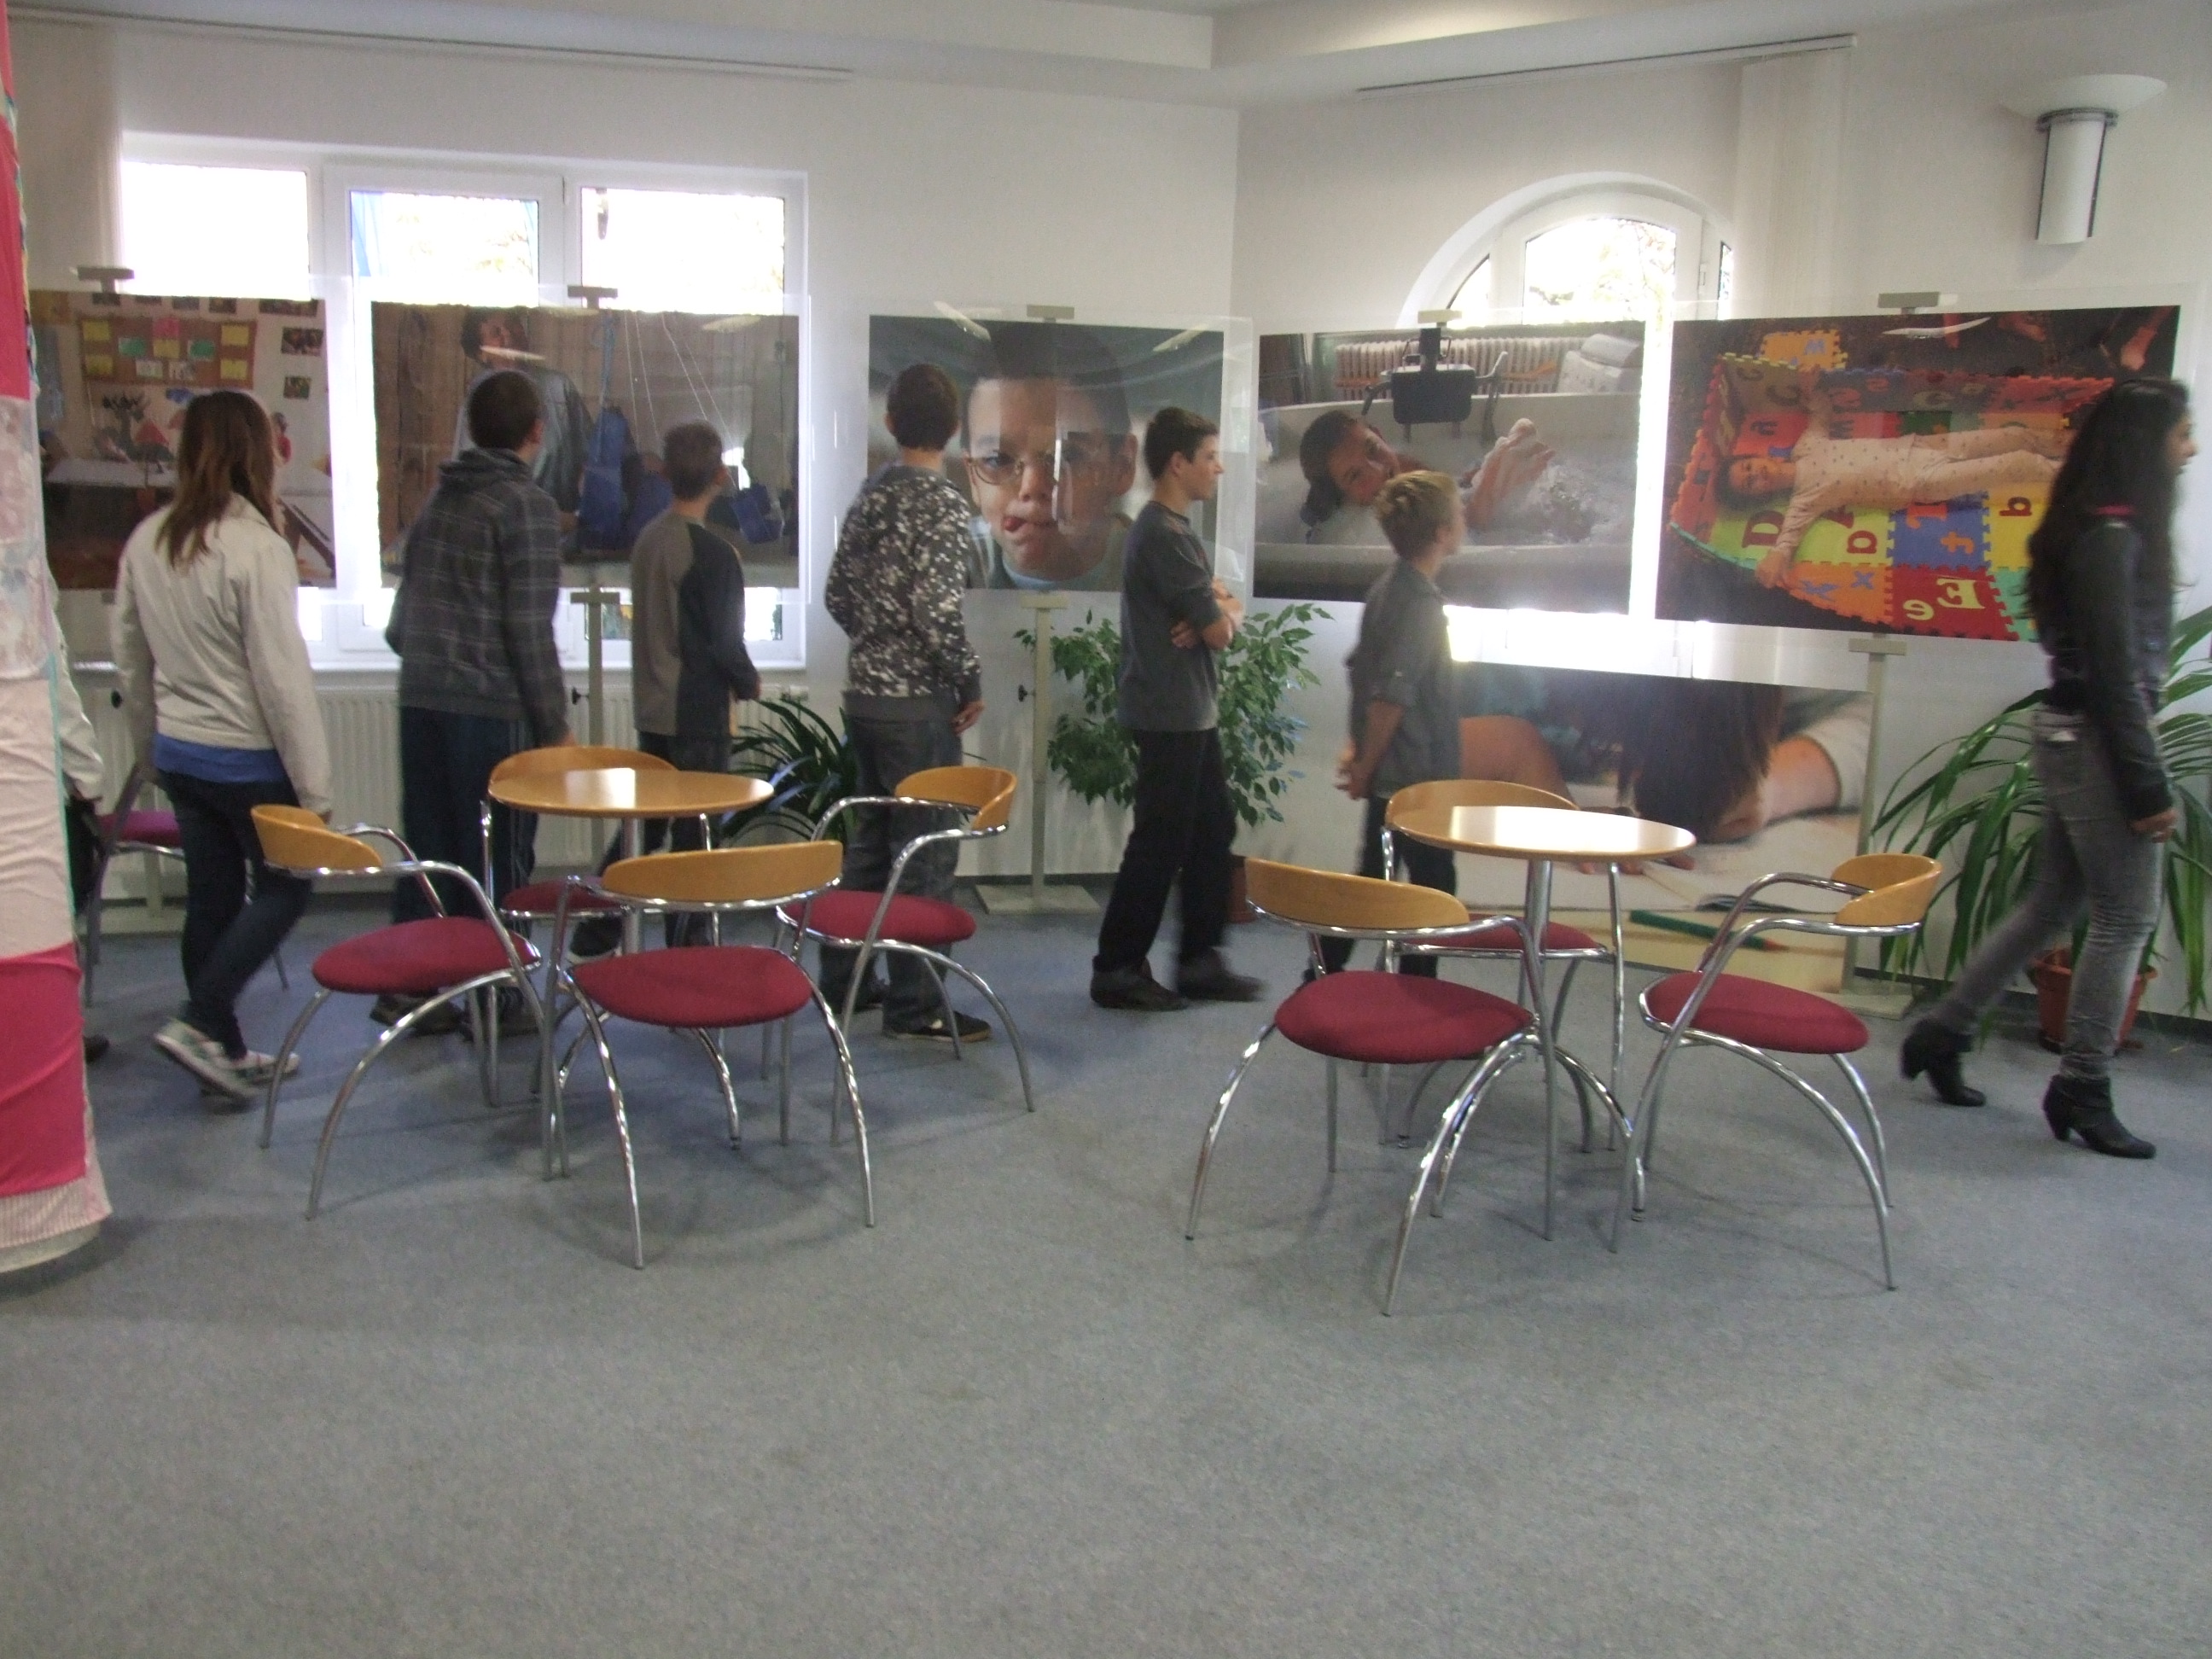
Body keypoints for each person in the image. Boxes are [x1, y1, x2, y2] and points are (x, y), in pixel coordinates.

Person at [1900, 379, 2194, 1157]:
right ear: (2145, 446)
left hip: (2077, 736)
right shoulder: (2111, 538)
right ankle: (2082, 1086)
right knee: (2126, 918)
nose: (2191, 448)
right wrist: (2146, 785)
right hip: (2101, 742)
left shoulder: (2095, 528)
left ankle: (1943, 1031)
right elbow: (2113, 676)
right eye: (2181, 434)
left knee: (2053, 904)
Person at [114, 390, 329, 1103]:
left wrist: (149, 753)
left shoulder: (149, 539)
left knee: (212, 898)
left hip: (181, 755)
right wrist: (314, 790)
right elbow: (280, 679)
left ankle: (222, 1054)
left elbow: (130, 661)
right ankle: (201, 1020)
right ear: (256, 454)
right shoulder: (256, 547)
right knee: (287, 887)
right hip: (248, 761)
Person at [386, 369, 573, 1026]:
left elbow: (400, 627)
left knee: (430, 852)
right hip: (492, 712)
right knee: (498, 856)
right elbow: (528, 630)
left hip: (421, 701)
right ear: (537, 431)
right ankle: (500, 994)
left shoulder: (439, 502)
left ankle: (415, 987)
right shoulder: (527, 506)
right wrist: (556, 728)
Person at [821, 363, 990, 1043]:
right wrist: (968, 679)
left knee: (867, 847)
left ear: (890, 423)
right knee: (924, 856)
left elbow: (837, 594)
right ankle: (916, 1006)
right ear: (954, 430)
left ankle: (846, 984)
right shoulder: (944, 505)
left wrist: (875, 641)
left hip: (864, 698)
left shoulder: (871, 496)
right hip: (918, 705)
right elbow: (935, 609)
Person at [1091, 407, 1262, 1011]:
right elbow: (1219, 632)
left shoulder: (1173, 530)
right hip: (1170, 712)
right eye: (1209, 457)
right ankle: (1116, 968)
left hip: (1190, 709)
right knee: (1159, 842)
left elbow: (1216, 616)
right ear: (1177, 463)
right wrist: (1221, 612)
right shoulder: (1164, 534)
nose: (1218, 468)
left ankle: (1198, 960)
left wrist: (1218, 607)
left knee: (1212, 829)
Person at [571, 421, 761, 954]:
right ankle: (689, 949)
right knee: (696, 841)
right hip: (697, 714)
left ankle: (595, 927)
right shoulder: (715, 554)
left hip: (652, 708)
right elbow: (725, 642)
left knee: (647, 829)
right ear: (721, 476)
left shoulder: (647, 540)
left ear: (665, 474)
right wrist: (749, 682)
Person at [1319, 471, 1464, 975]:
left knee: (1373, 879)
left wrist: (1360, 749)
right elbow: (1392, 696)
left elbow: (1364, 674)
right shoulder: (1421, 606)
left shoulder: (1386, 589)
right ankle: (1414, 991)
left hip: (1395, 771)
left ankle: (1321, 975)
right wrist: (1364, 764)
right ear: (1441, 533)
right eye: (1458, 512)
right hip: (1415, 776)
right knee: (1430, 890)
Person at [1717, 395, 2066, 588]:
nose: (1756, 475)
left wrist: (1811, 390)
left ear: (1758, 457)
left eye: (1748, 468)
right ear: (1760, 496)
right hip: (1923, 479)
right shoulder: (1803, 500)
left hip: (1919, 445)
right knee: (2018, 464)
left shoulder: (1806, 447)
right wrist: (1776, 558)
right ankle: (2073, 472)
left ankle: (2064, 444)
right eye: (1751, 484)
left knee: (2012, 437)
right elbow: (1787, 539)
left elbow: (1820, 414)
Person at [962, 322, 1138, 591]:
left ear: (1122, 466)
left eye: (1067, 456)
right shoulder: (940, 565)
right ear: (973, 478)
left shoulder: (1173, 572)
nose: (1032, 486)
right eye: (998, 459)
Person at [1297, 409, 1554, 540]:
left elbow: (1451, 486)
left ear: (1379, 435)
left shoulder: (1403, 466)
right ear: (1343, 497)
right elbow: (1469, 530)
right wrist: (1488, 488)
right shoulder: (1372, 528)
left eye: (1373, 449)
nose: (1379, 471)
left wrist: (1475, 478)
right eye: (1355, 476)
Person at [452, 308, 591, 521]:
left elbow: (590, 456)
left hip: (566, 529)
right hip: (509, 528)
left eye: (512, 324)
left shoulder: (559, 387)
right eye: (496, 332)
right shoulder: (479, 401)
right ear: (482, 353)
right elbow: (474, 486)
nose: (508, 335)